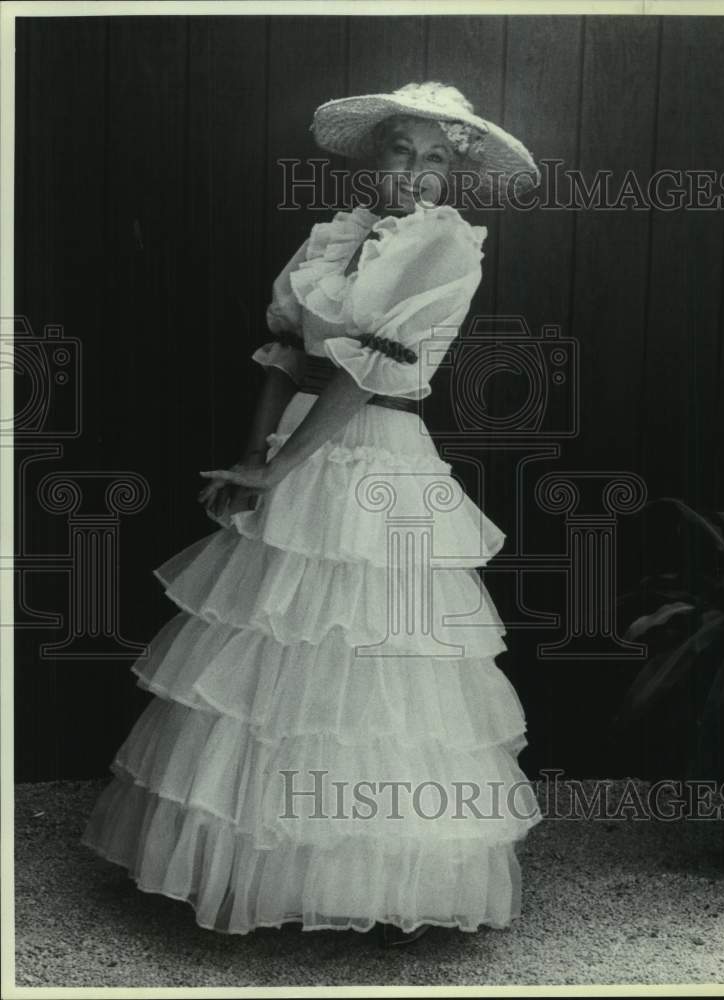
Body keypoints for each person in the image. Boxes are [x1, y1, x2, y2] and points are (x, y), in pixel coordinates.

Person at [81, 81, 543, 948]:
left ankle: (362, 871)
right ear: (375, 159)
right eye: (400, 152)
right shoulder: (336, 234)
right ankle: (257, 862)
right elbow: (289, 354)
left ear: (455, 176)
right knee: (270, 652)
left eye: (435, 159)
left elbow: (367, 370)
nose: (414, 173)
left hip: (378, 459)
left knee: (369, 658)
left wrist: (285, 466)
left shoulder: (445, 247)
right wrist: (258, 461)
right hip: (300, 449)